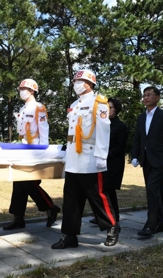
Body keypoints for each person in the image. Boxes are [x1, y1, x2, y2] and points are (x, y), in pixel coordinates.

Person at [51, 69, 120, 249]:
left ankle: (112, 226)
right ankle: (69, 235)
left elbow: (104, 131)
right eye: (74, 81)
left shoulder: (99, 102)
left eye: (80, 80)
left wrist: (101, 156)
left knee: (97, 196)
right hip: (74, 158)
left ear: (90, 83)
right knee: (71, 200)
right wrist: (67, 153)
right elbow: (72, 133)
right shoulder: (74, 104)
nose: (76, 84)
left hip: (90, 157)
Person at [3, 78, 61, 230]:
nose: (22, 91)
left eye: (25, 89)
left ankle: (50, 207)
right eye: (21, 88)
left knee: (30, 183)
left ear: (33, 91)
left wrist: (43, 151)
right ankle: (18, 217)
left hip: (35, 149)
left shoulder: (38, 107)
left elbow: (44, 129)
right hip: (22, 148)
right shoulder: (23, 109)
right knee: (19, 182)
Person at [131, 86, 163, 237]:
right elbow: (138, 138)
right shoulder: (141, 117)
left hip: (160, 159)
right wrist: (135, 155)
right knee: (153, 191)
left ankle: (150, 225)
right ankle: (161, 223)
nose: (145, 98)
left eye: (149, 95)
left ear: (157, 97)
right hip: (146, 159)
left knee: (152, 189)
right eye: (144, 95)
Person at [89, 97, 128, 225]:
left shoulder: (120, 126)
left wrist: (105, 155)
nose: (106, 109)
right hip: (99, 162)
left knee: (109, 191)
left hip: (112, 163)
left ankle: (114, 216)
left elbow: (121, 146)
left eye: (109, 107)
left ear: (116, 110)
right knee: (99, 191)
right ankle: (101, 216)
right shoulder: (100, 124)